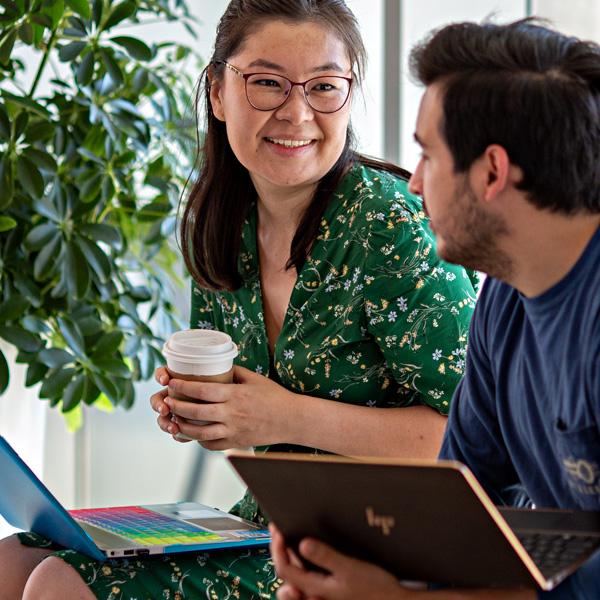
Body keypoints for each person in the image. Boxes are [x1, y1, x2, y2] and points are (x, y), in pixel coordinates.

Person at [0, 1, 477, 598]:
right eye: (267, 83)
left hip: (386, 549)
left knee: (56, 584)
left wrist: (281, 415)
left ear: (349, 96)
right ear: (219, 92)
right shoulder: (222, 223)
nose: (297, 112)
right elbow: (255, 427)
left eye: (324, 86)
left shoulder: (392, 229)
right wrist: (209, 414)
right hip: (271, 527)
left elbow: (466, 440)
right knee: (8, 561)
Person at [270, 17, 600, 600]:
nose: (415, 182)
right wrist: (343, 566)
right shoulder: (505, 296)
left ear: (493, 172)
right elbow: (459, 504)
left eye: (429, 156)